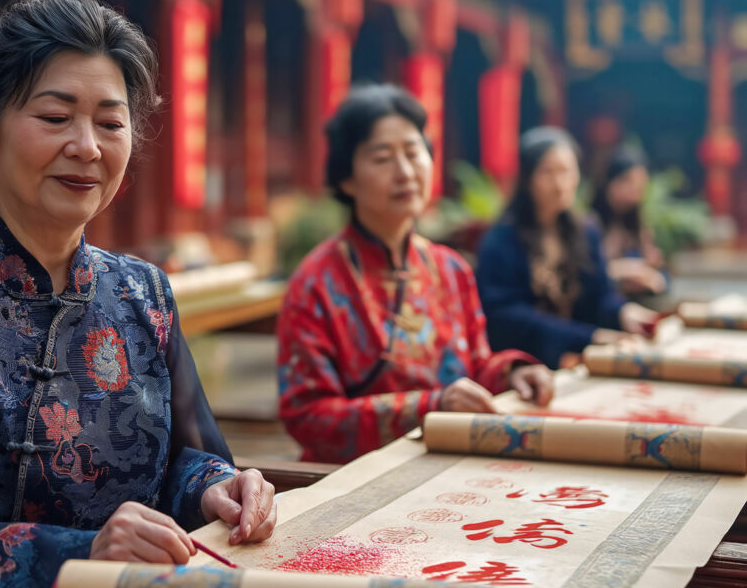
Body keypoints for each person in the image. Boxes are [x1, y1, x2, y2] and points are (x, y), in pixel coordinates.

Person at [0, 0, 275, 588]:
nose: (87, 146)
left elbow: (188, 457)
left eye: (110, 121)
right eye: (54, 117)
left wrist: (217, 489)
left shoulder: (145, 293)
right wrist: (78, 557)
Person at [276, 84, 553, 464]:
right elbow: (308, 418)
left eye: (413, 152)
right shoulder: (317, 282)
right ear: (346, 178)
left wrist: (512, 373)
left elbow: (475, 367)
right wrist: (431, 406)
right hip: (354, 478)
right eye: (382, 157)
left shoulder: (451, 269)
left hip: (453, 464)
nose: (405, 171)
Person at [475, 127, 659, 369]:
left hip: (580, 363)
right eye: (547, 172)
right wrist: (587, 338)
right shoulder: (501, 239)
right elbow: (506, 316)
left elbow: (600, 295)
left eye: (566, 171)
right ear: (527, 178)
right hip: (523, 366)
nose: (559, 183)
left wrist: (623, 312)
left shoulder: (585, 231)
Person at [592, 145, 666, 297]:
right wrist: (622, 269)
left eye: (640, 185)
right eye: (628, 182)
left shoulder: (637, 227)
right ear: (610, 181)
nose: (635, 191)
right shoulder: (588, 224)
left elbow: (660, 275)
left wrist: (654, 276)